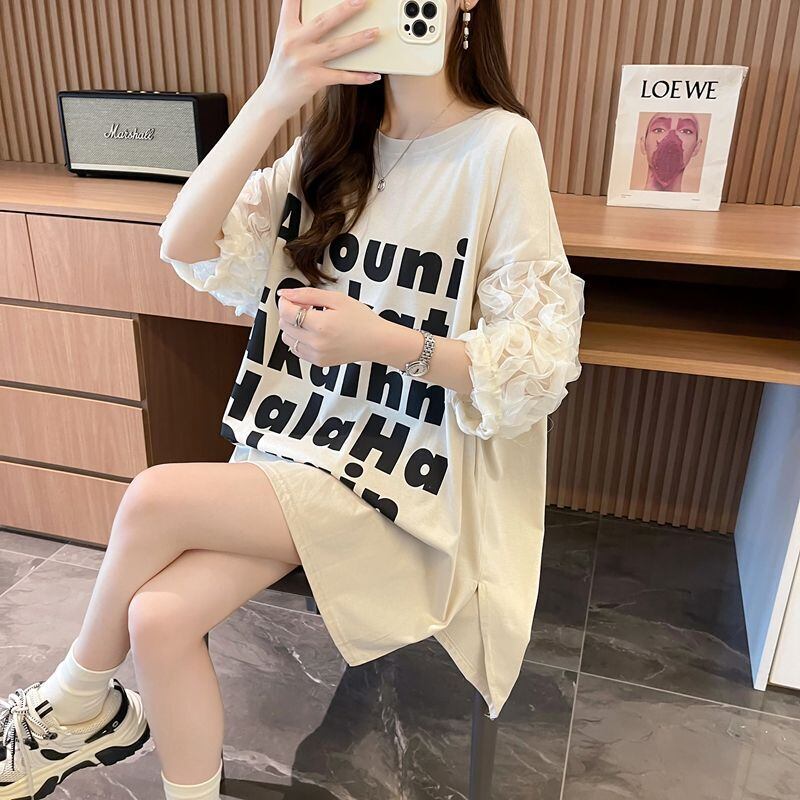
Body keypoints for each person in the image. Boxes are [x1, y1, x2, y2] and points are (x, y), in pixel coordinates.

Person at [0, 0, 585, 798]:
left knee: (152, 497)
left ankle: (71, 704)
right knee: (158, 618)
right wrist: (275, 94)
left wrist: (382, 341)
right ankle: (119, 737)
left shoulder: (499, 145)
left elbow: (539, 362)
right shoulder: (331, 147)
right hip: (298, 450)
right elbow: (185, 241)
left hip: (405, 486)